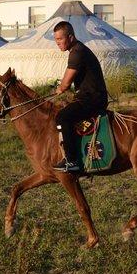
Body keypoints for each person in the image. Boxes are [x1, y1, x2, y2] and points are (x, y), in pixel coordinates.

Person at [52, 21, 108, 173]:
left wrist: (58, 90)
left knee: (63, 117)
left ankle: (72, 161)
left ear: (70, 37)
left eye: (60, 39)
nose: (57, 43)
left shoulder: (77, 52)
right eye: (56, 40)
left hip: (93, 98)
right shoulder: (77, 50)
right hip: (87, 96)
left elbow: (65, 84)